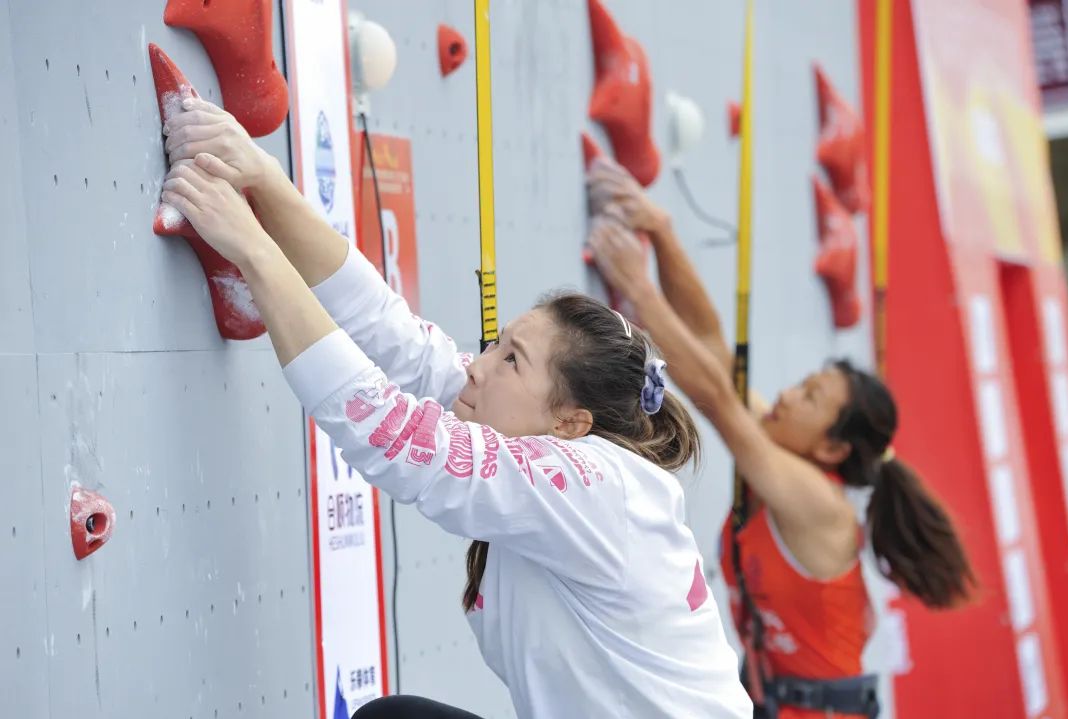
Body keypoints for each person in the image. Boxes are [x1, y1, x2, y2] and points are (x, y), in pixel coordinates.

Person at [158, 98, 752, 719]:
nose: (478, 365)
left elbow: (390, 434)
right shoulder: (525, 423)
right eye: (497, 346)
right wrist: (263, 178)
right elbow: (396, 339)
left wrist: (254, 251)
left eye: (512, 360)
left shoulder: (591, 486)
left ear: (571, 421)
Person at [585, 159, 976, 719]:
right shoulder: (780, 451)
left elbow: (719, 399)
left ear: (832, 449)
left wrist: (638, 290)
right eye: (805, 384)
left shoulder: (817, 502)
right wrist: (662, 232)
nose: (789, 396)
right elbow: (715, 351)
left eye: (810, 399)